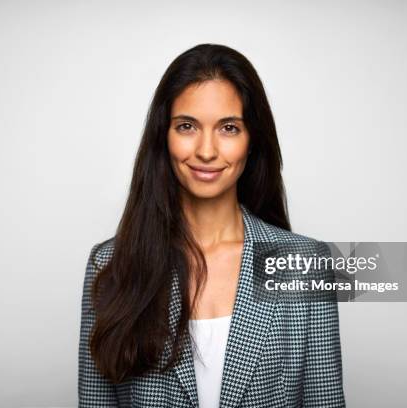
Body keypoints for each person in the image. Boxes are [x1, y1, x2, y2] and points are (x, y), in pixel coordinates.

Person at [78, 43, 345, 407]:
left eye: (229, 128)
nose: (206, 150)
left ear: (252, 141)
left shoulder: (304, 262)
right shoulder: (110, 265)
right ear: (163, 136)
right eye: (187, 126)